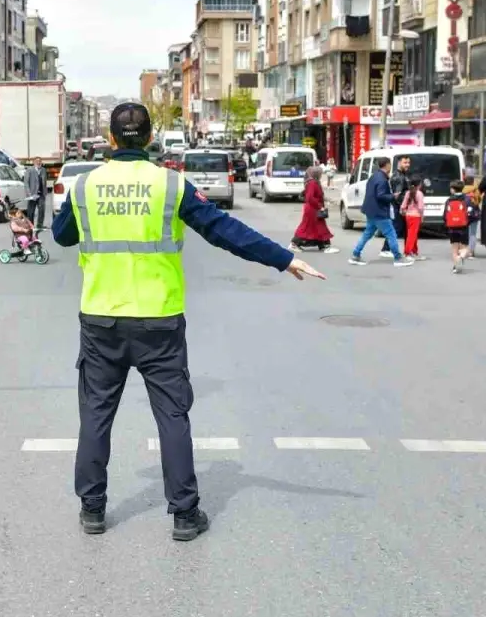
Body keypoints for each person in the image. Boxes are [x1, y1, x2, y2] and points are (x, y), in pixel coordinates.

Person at [52, 102, 324, 542]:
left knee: (96, 413)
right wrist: (284, 259)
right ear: (150, 137)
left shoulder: (85, 186)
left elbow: (61, 235)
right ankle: (183, 515)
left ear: (112, 137)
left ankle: (93, 509)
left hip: (101, 319)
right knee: (172, 416)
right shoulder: (170, 185)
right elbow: (223, 230)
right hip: (159, 319)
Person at [349, 157, 414, 267]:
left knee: (367, 233)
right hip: (379, 211)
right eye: (390, 164)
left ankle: (355, 254)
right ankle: (398, 258)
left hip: (371, 210)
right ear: (387, 165)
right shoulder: (382, 179)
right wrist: (393, 196)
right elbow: (380, 195)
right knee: (391, 234)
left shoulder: (374, 176)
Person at [290, 164, 337, 253]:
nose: (321, 175)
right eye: (320, 174)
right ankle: (295, 243)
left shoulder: (314, 182)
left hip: (313, 209)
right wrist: (320, 207)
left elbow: (317, 196)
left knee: (318, 227)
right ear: (316, 174)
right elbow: (310, 198)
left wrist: (328, 200)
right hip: (312, 210)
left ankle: (324, 245)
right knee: (308, 227)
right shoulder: (312, 183)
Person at [380, 155, 412, 257]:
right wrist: (403, 207)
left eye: (408, 162)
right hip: (399, 207)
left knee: (403, 229)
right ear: (399, 163)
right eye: (405, 162)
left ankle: (408, 250)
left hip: (401, 207)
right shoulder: (398, 177)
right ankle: (386, 249)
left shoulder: (404, 175)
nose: (407, 165)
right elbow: (398, 195)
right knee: (396, 228)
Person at [443, 180, 473, 274]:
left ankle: (455, 267)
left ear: (452, 189)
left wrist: (447, 223)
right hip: (463, 227)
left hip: (452, 227)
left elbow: (445, 215)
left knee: (454, 248)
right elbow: (470, 213)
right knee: (465, 248)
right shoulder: (467, 199)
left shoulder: (449, 200)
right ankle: (461, 257)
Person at [400, 175, 425, 260]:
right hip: (416, 216)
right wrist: (422, 216)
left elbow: (403, 205)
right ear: (419, 184)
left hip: (408, 215)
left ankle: (414, 251)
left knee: (412, 234)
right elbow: (421, 207)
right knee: (412, 235)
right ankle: (407, 253)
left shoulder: (408, 192)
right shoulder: (419, 193)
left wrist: (403, 211)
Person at [24, 157, 47, 228]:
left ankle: (40, 225)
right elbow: (26, 183)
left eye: (40, 161)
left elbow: (44, 182)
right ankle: (31, 225)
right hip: (32, 194)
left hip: (41, 194)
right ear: (34, 162)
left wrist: (45, 192)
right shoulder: (29, 170)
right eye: (37, 161)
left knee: (41, 210)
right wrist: (29, 194)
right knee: (31, 211)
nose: (39, 162)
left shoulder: (43, 170)